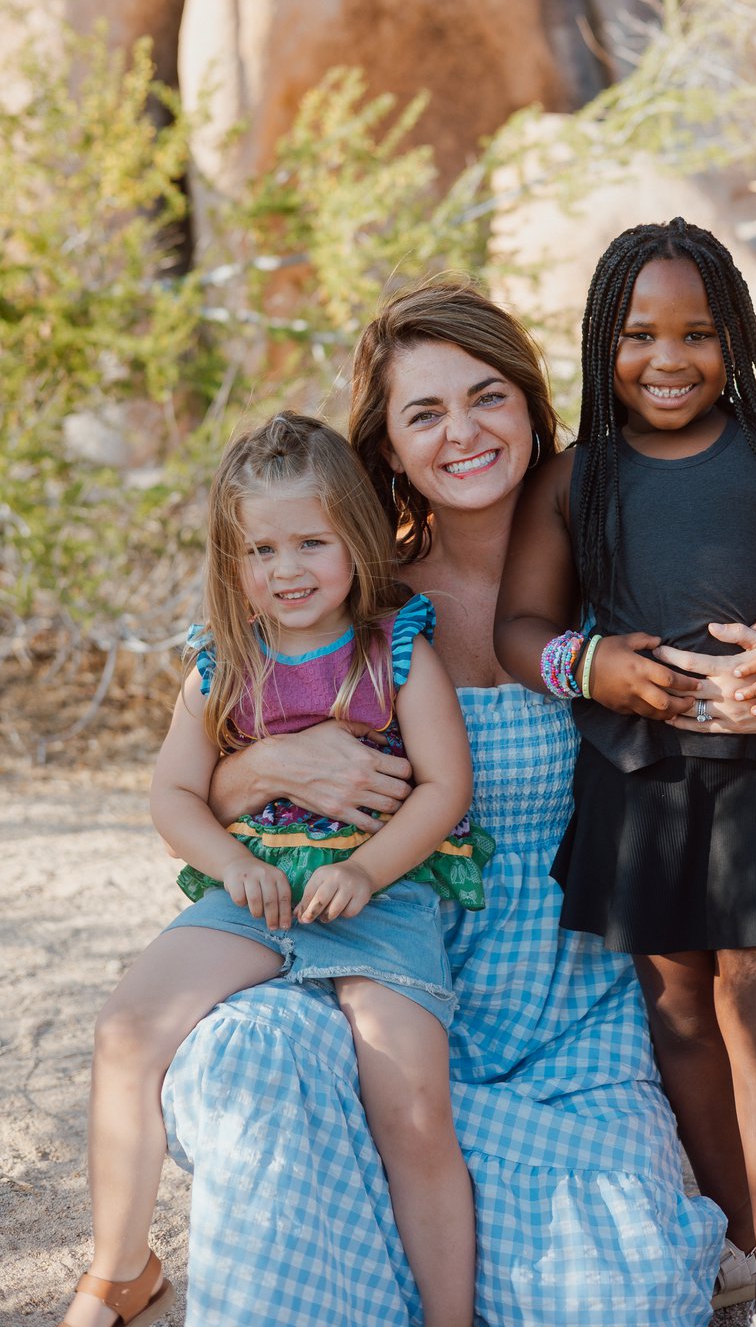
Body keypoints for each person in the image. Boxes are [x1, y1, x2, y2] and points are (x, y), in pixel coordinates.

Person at [160, 281, 756, 1327]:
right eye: (424, 413)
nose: (461, 433)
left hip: (569, 1017)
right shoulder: (353, 604)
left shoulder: (620, 589)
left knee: (618, 1295)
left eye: (487, 397)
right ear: (388, 444)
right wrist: (266, 771)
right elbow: (204, 782)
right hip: (385, 992)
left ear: (533, 407)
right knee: (261, 1075)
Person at [494, 219, 756, 1327]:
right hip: (638, 782)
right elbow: (517, 625)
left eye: (697, 333)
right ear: (599, 342)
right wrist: (588, 665)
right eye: (636, 334)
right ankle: (727, 1230)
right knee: (678, 1019)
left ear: (737, 338)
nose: (666, 359)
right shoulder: (576, 479)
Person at [60, 412, 478, 1327]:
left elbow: (445, 788)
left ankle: (449, 1316)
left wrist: (367, 870)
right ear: (232, 560)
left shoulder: (394, 651)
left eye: (311, 543)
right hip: (252, 896)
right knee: (129, 1029)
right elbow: (175, 795)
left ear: (355, 542)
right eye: (261, 550)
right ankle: (118, 1271)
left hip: (380, 899)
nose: (287, 571)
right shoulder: (222, 665)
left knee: (411, 1102)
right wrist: (227, 864)